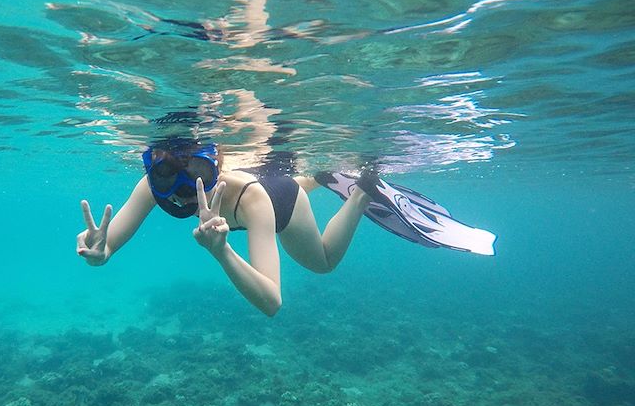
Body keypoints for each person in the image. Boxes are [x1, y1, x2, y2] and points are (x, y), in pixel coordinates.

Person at [76, 138, 496, 317]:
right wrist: (99, 253)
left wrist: (222, 251)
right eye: (169, 172)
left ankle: (362, 192)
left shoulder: (253, 201)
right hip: (261, 183)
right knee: (300, 181)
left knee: (324, 263)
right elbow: (105, 248)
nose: (188, 188)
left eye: (202, 171)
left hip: (278, 196)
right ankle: (323, 175)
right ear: (155, 168)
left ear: (216, 165)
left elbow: (273, 302)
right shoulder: (154, 187)